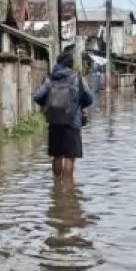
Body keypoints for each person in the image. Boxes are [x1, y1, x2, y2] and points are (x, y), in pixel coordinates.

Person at [34, 48, 94, 178]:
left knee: (57, 156)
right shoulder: (77, 78)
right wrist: (78, 105)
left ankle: (57, 185)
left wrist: (50, 105)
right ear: (70, 64)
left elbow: (37, 97)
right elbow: (89, 98)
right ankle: (67, 188)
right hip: (73, 123)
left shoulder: (50, 79)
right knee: (70, 157)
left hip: (54, 122)